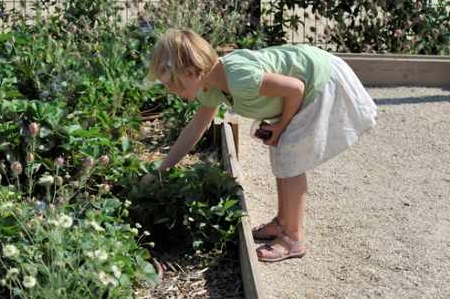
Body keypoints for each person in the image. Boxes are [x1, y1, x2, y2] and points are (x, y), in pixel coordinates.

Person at [141, 28, 377, 262]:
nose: (170, 91)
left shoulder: (238, 76)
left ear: (191, 71)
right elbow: (195, 128)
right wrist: (162, 170)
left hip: (321, 82)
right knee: (283, 156)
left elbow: (296, 88)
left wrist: (281, 126)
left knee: (291, 160)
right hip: (304, 87)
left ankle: (293, 238)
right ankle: (282, 223)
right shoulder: (210, 87)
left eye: (172, 84)